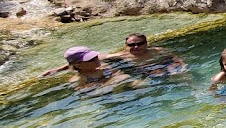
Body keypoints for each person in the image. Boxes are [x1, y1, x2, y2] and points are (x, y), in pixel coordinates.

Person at [39, 33, 183, 77]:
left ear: (146, 43)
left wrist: (179, 65)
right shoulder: (121, 56)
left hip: (162, 67)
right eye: (131, 45)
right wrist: (56, 70)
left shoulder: (158, 51)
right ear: (126, 47)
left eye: (140, 43)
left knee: (181, 74)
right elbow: (86, 59)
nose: (136, 47)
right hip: (144, 73)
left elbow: (175, 58)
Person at [62, 46, 133, 89]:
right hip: (101, 95)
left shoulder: (103, 68)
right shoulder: (79, 78)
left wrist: (114, 74)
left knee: (130, 80)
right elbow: (82, 90)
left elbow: (116, 73)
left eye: (95, 57)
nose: (97, 59)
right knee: (123, 77)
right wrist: (110, 80)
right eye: (91, 59)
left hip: (111, 87)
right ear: (78, 65)